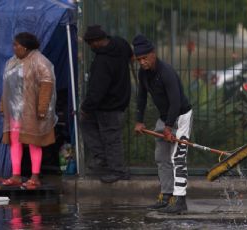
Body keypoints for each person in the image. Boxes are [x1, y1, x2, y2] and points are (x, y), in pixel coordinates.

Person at [133, 34, 193, 214]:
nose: (142, 62)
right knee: (161, 157)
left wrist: (168, 128)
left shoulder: (166, 72)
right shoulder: (143, 73)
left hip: (181, 116)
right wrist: (139, 120)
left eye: (145, 58)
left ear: (153, 54)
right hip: (164, 116)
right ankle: (166, 196)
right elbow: (141, 97)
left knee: (178, 158)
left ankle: (180, 201)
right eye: (139, 59)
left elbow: (175, 102)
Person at [0, 32, 57, 189]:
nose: (13, 48)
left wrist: (42, 107)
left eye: (16, 45)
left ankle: (35, 177)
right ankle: (16, 175)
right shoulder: (12, 62)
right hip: (15, 112)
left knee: (34, 142)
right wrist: (3, 105)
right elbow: (6, 86)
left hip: (32, 111)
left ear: (24, 47)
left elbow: (47, 83)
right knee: (15, 141)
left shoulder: (40, 61)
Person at [80, 25, 133, 183]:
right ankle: (102, 158)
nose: (90, 47)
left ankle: (117, 170)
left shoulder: (102, 61)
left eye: (90, 44)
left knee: (111, 138)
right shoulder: (121, 43)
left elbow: (97, 89)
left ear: (96, 42)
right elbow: (131, 56)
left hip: (108, 105)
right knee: (100, 130)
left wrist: (86, 107)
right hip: (121, 99)